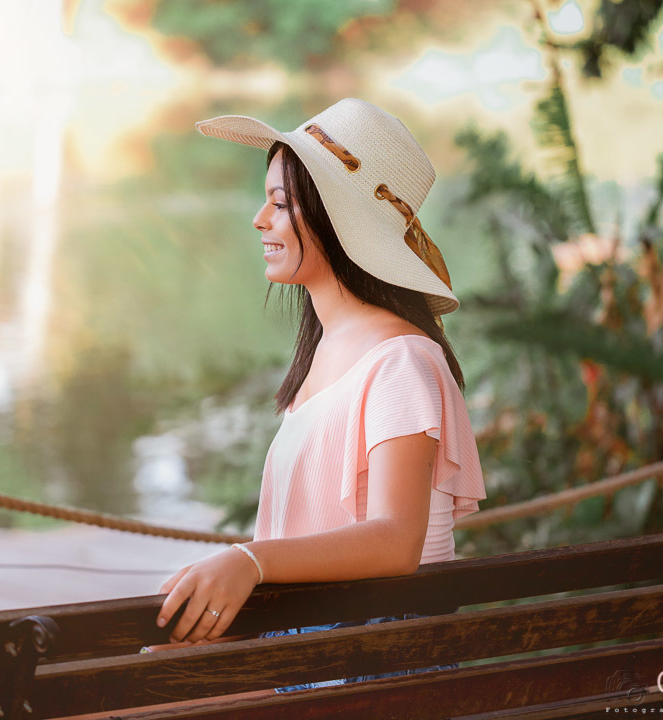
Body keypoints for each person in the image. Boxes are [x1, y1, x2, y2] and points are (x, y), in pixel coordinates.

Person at [145, 98, 488, 694]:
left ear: (337, 220)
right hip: (328, 645)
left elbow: (396, 540)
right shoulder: (333, 351)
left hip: (372, 663)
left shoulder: (400, 361)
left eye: (281, 204)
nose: (259, 219)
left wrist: (249, 561)